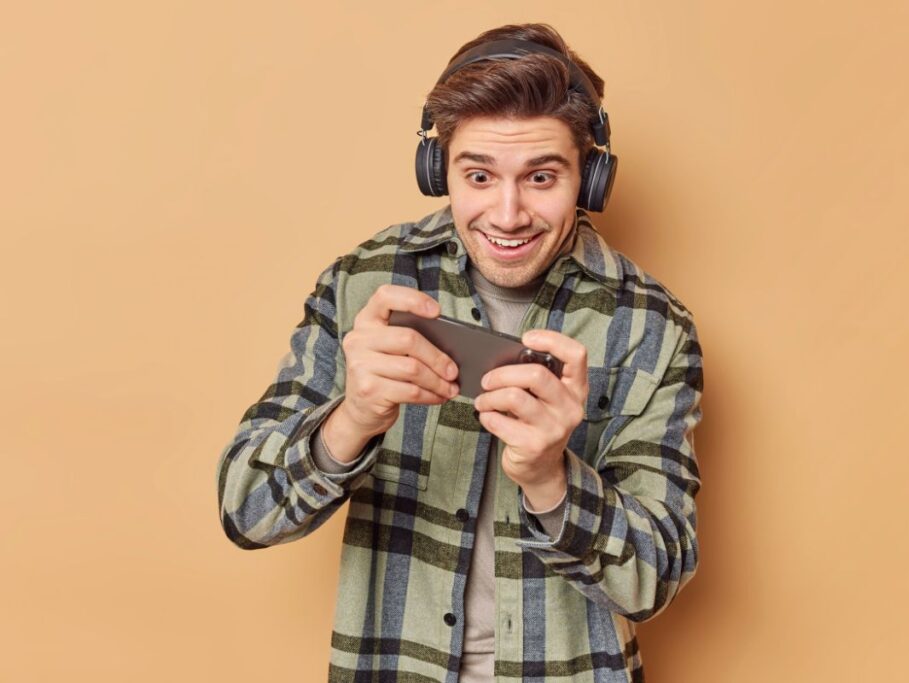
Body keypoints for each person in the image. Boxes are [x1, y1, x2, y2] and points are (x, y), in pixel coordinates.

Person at [216, 22, 703, 683]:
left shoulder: (652, 325)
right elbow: (245, 513)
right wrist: (351, 419)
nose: (507, 214)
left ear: (589, 178)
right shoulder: (363, 284)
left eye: (541, 176)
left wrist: (551, 478)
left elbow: (657, 577)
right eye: (478, 175)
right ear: (436, 170)